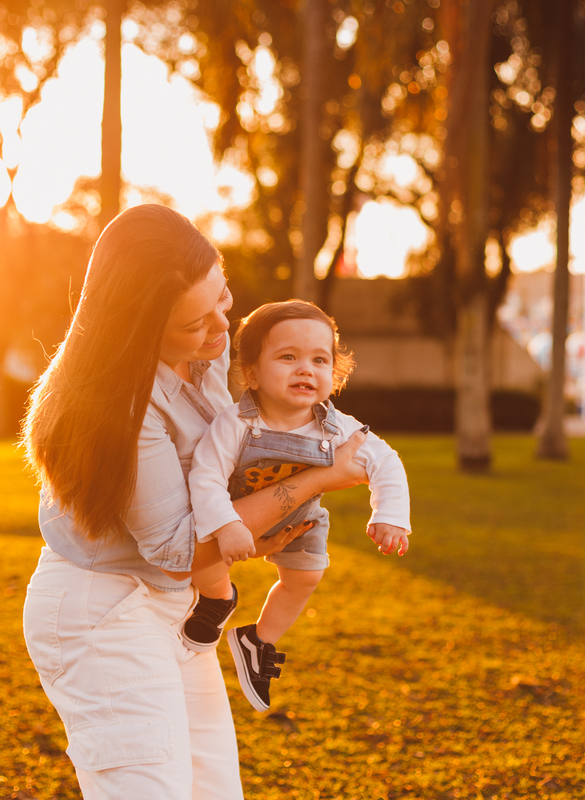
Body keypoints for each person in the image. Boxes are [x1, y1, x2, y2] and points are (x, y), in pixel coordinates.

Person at [19, 205, 369, 799]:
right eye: (193, 323)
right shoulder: (123, 405)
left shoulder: (203, 363)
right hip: (105, 613)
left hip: (177, 609)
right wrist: (313, 479)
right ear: (139, 327)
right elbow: (178, 547)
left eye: (223, 298)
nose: (218, 329)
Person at [179, 300, 412, 713]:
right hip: (238, 512)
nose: (306, 369)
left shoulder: (335, 425)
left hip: (302, 519)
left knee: (306, 576)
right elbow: (206, 477)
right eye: (288, 357)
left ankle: (258, 640)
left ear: (333, 374)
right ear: (251, 372)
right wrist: (228, 525)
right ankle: (218, 598)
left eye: (319, 360)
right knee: (207, 562)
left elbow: (384, 461)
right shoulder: (235, 424)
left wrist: (390, 514)